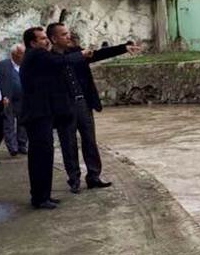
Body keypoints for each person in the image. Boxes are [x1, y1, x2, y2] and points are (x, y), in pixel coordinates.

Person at [55, 28, 141, 193]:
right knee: (68, 143)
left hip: (83, 103)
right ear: (53, 38)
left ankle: (93, 176)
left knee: (90, 140)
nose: (69, 37)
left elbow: (99, 54)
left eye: (68, 34)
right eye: (64, 34)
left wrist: (123, 48)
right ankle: (74, 179)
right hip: (64, 107)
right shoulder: (50, 58)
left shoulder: (77, 52)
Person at [20, 25, 92, 210]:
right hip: (38, 115)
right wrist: (81, 55)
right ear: (32, 42)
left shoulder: (37, 57)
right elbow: (60, 61)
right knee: (41, 157)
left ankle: (43, 195)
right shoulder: (37, 55)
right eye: (43, 39)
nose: (46, 42)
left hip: (41, 114)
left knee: (44, 156)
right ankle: (40, 198)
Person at [0, 44, 27, 156]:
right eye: (21, 54)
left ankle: (22, 145)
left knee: (23, 123)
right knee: (8, 123)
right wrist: (1, 96)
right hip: (8, 99)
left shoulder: (26, 65)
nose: (23, 56)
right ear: (14, 54)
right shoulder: (2, 65)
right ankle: (12, 147)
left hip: (23, 99)